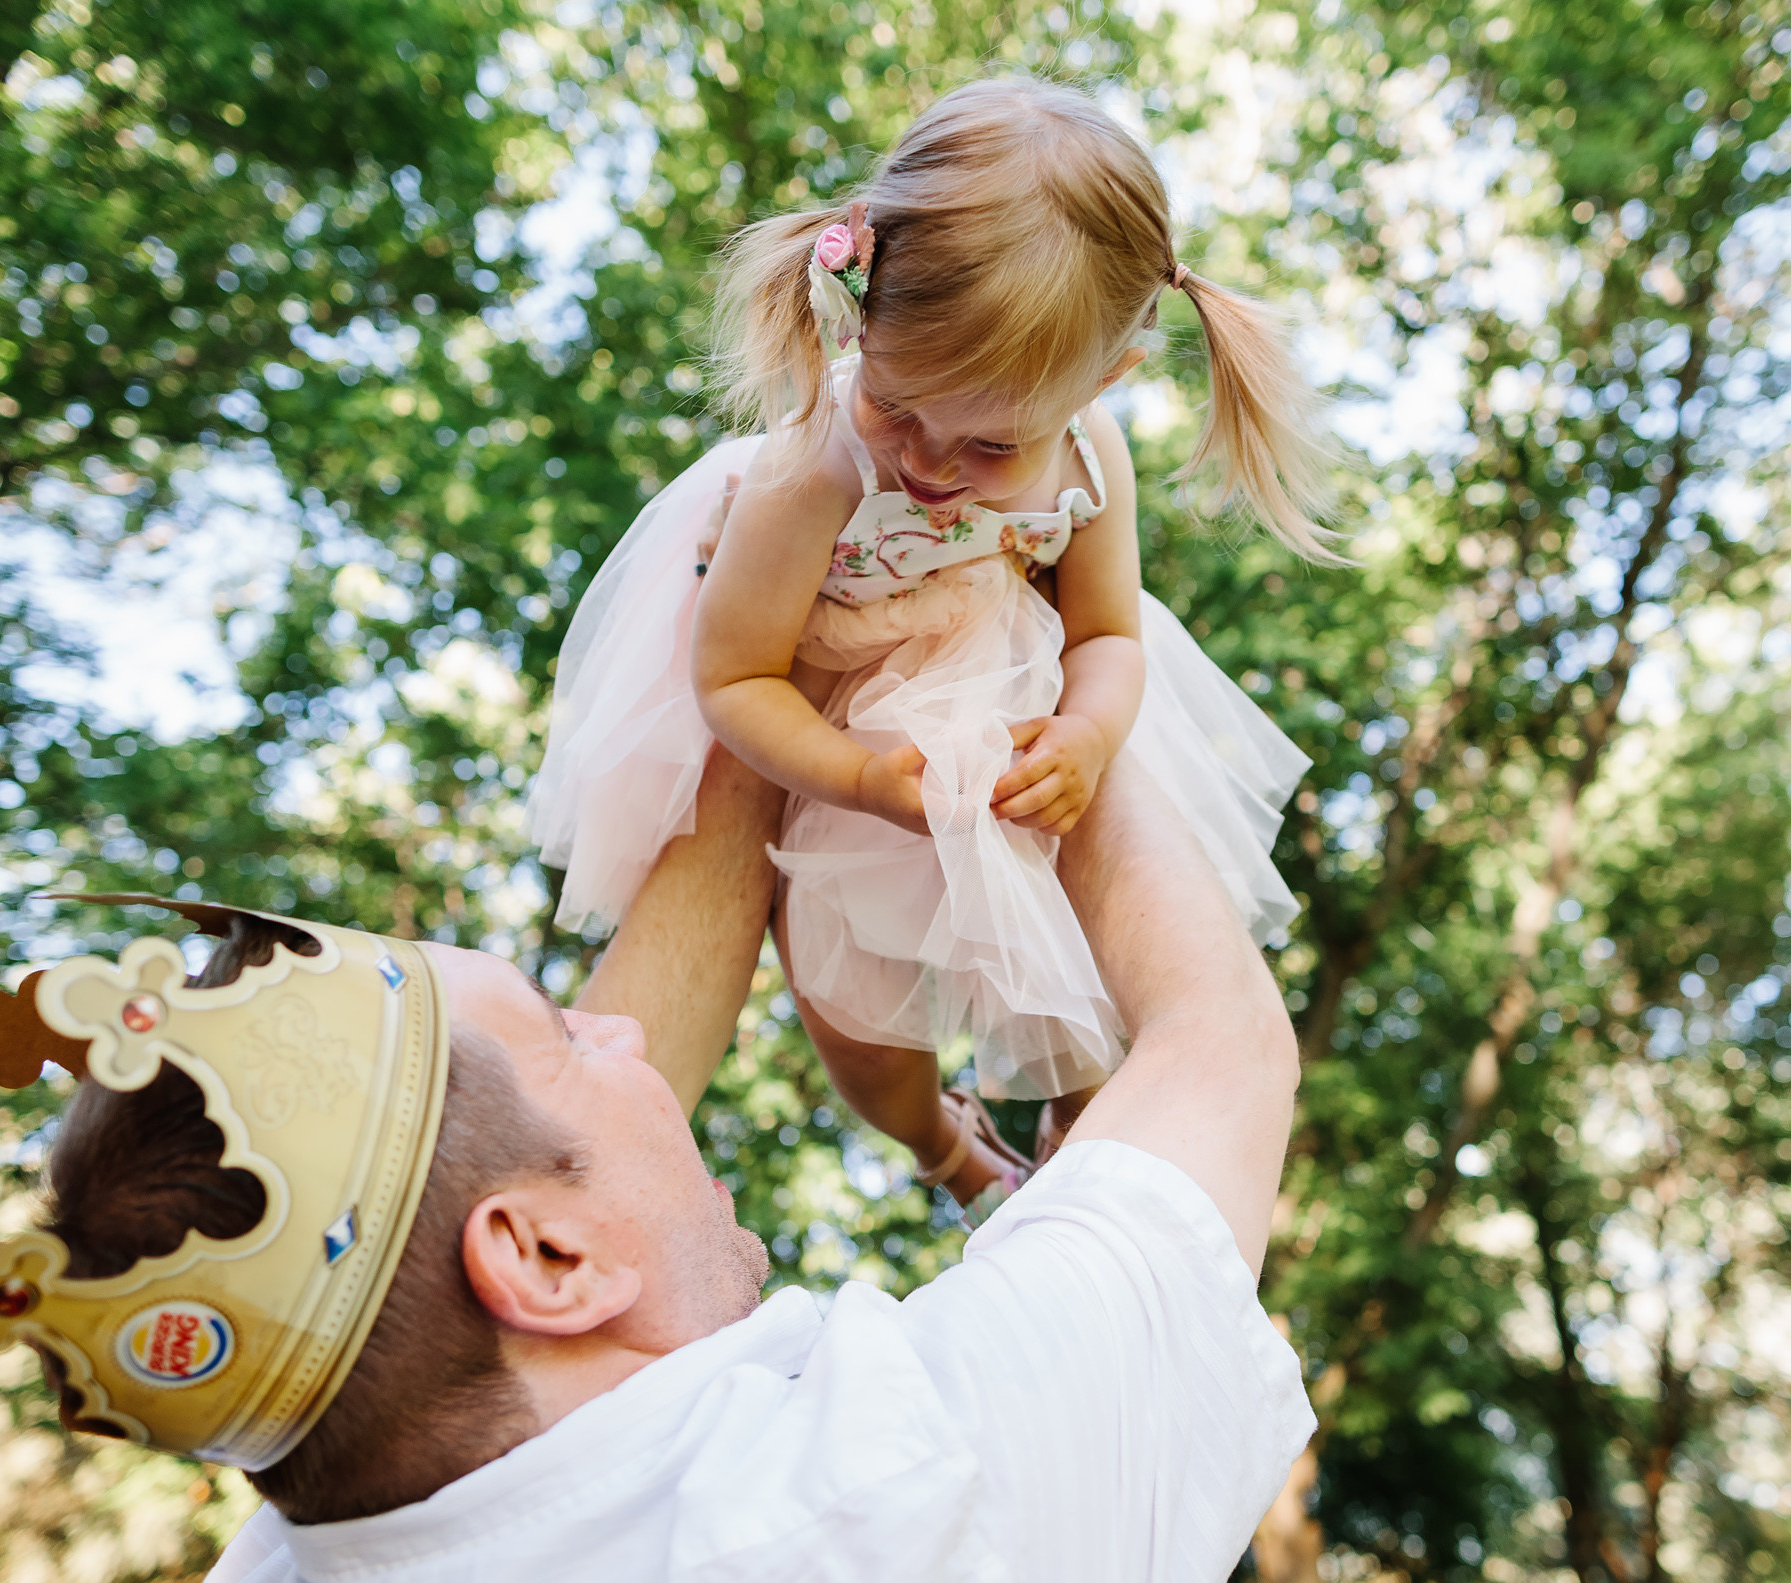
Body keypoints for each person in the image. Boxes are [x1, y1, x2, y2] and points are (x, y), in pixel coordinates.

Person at [0, 749, 1308, 1583]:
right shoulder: (878, 1499)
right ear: (548, 1260)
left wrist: (764, 727)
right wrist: (1028, 650)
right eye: (573, 1032)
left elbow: (503, 1187)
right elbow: (1221, 1046)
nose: (628, 1026)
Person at [529, 76, 1329, 1224]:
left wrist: (1089, 734)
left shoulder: (1092, 456)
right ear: (864, 324)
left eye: (996, 443)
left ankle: (1076, 1133)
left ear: (1105, 380)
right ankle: (939, 1147)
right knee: (863, 1041)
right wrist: (854, 776)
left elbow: (1108, 631)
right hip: (828, 731)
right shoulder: (819, 464)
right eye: (900, 406)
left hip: (998, 694)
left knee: (1078, 985)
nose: (933, 466)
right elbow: (734, 677)